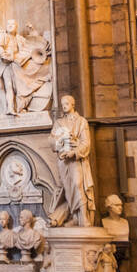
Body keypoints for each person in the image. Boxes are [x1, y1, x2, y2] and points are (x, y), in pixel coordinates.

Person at [51, 94, 96, 226]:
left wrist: (74, 152)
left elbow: (86, 143)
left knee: (78, 184)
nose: (64, 106)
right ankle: (74, 217)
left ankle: (84, 218)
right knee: (68, 188)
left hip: (76, 160)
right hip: (64, 161)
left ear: (73, 104)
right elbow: (52, 140)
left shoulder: (81, 121)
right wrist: (59, 144)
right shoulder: (59, 123)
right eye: (62, 104)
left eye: (66, 104)